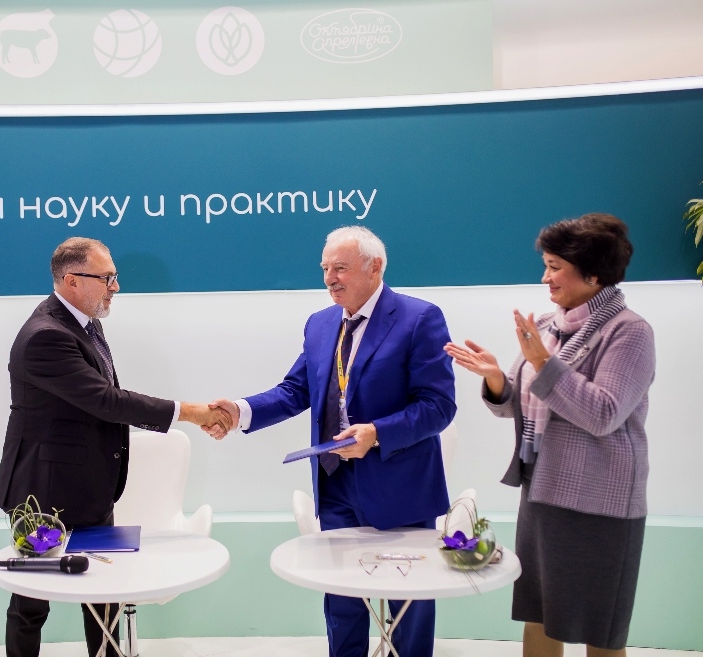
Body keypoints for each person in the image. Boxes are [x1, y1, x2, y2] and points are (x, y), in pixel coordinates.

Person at [208, 226, 456, 657]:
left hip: (401, 487)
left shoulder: (419, 318)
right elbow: (295, 390)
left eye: (340, 268)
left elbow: (438, 406)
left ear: (375, 267)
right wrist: (240, 411)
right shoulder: (321, 324)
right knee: (342, 602)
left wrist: (376, 434)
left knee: (409, 605)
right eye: (325, 268)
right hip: (335, 484)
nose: (329, 279)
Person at [0, 237, 230, 657]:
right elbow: (106, 401)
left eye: (114, 276)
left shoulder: (85, 323)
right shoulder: (45, 336)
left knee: (104, 595)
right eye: (107, 278)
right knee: (31, 601)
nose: (115, 286)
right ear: (71, 280)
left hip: (91, 487)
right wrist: (191, 412)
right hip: (45, 495)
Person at [444, 213, 653, 657]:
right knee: (538, 615)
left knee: (601, 627)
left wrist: (542, 362)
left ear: (593, 273)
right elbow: (525, 405)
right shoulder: (545, 326)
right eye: (546, 265)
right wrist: (497, 379)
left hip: (600, 503)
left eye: (555, 267)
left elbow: (603, 413)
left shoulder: (630, 332)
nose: (545, 278)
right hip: (541, 491)